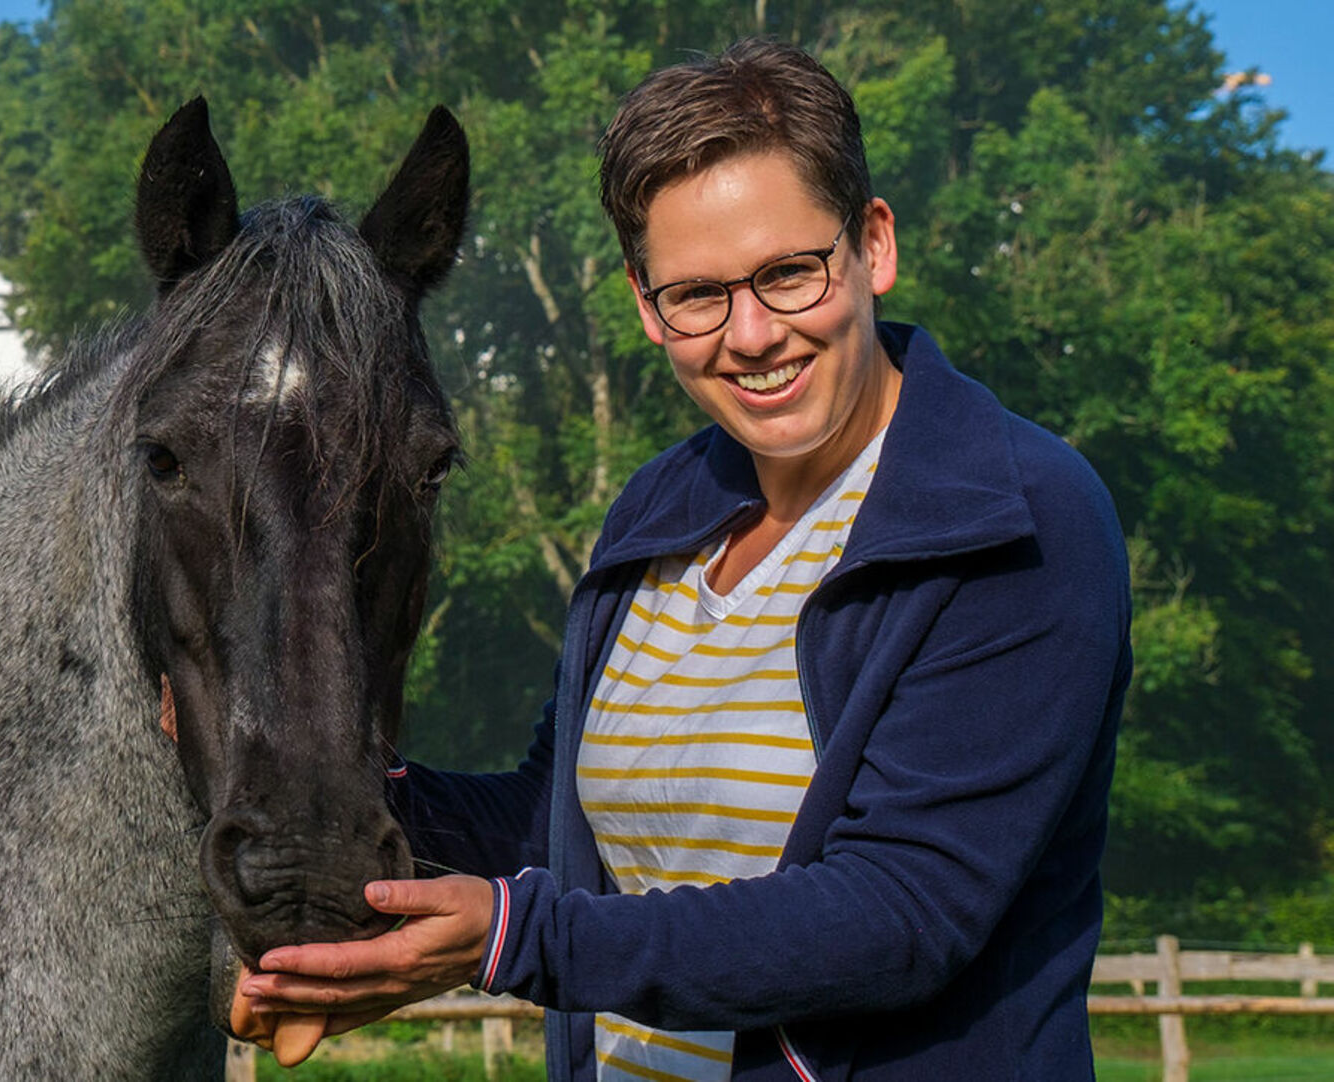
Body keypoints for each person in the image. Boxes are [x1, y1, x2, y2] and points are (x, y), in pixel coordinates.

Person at [232, 37, 1131, 1081]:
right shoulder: (662, 508)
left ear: (872, 246)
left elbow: (899, 914)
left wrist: (513, 938)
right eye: (696, 294)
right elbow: (557, 821)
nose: (749, 333)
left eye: (790, 272)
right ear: (643, 304)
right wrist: (315, 771)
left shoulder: (1017, 515)